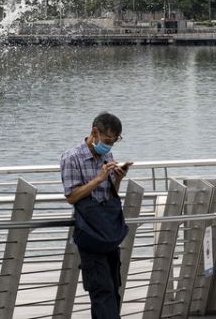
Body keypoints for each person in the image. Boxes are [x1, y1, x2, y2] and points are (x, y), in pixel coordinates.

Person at [60, 112, 133, 318]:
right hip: (90, 234)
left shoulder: (106, 156)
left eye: (114, 141)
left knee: (113, 287)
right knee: (101, 290)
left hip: (108, 232)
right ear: (94, 132)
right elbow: (71, 196)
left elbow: (110, 195)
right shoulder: (71, 157)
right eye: (108, 140)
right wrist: (99, 179)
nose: (110, 146)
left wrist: (117, 179)